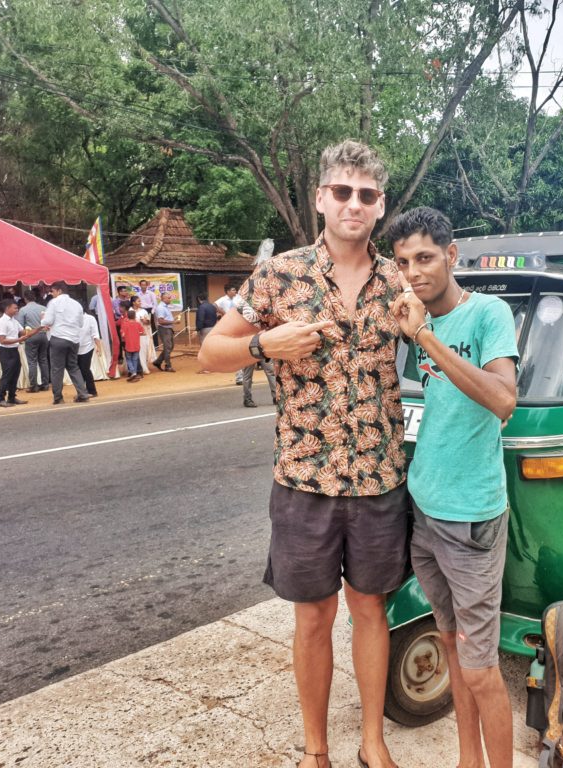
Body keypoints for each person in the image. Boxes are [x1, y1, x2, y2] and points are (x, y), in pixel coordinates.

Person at [197, 141, 407, 768]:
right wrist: (266, 341)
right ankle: (316, 749)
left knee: (372, 611)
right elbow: (211, 352)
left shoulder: (396, 279)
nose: (353, 204)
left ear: (380, 206)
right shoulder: (276, 275)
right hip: (304, 480)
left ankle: (372, 741)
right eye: (342, 191)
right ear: (320, 198)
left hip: (378, 478)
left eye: (366, 195)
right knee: (313, 619)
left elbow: (446, 329)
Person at [388, 207, 518, 768]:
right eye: (403, 263)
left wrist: (423, 336)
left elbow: (502, 400)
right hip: (426, 512)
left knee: (480, 667)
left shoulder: (488, 313)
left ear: (451, 255)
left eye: (424, 258)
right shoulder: (412, 318)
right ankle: (469, 761)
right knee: (449, 646)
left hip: (472, 517)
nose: (413, 272)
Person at [41, 281, 92, 404]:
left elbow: (48, 320)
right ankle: (83, 393)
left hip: (58, 338)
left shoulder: (53, 303)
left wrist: (43, 321)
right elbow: (80, 323)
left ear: (59, 291)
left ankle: (58, 397)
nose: (51, 294)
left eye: (52, 291)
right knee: (73, 367)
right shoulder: (77, 304)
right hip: (74, 339)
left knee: (57, 369)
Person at [0, 298, 39, 407]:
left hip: (14, 350)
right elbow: (2, 340)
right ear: (7, 308)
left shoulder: (14, 320)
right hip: (6, 351)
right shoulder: (2, 322)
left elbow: (24, 332)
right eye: (14, 308)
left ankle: (11, 397)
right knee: (7, 375)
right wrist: (19, 340)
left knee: (15, 374)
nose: (17, 310)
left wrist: (39, 328)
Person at [18, 290, 50, 392]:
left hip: (31, 336)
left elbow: (20, 326)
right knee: (43, 360)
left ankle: (33, 385)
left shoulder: (23, 310)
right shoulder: (43, 308)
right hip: (43, 336)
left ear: (25, 298)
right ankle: (45, 384)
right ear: (35, 298)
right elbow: (48, 323)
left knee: (32, 362)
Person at [77, 311, 102, 397]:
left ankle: (92, 391)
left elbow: (95, 334)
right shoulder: (71, 318)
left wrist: (99, 347)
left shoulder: (90, 319)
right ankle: (82, 391)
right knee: (78, 371)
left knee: (85, 369)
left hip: (87, 348)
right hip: (75, 348)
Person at [128, 295, 154, 374]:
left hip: (144, 333)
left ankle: (143, 366)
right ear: (133, 303)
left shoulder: (143, 311)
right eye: (138, 301)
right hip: (134, 335)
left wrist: (145, 321)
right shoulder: (130, 311)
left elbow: (149, 322)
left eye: (140, 301)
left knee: (144, 350)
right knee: (138, 351)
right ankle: (142, 368)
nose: (140, 302)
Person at [154, 291, 177, 372]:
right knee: (168, 347)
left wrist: (172, 320)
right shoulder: (161, 308)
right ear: (163, 298)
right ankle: (168, 366)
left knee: (170, 346)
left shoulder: (166, 307)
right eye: (169, 298)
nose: (170, 299)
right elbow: (161, 321)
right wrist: (173, 322)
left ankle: (158, 361)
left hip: (168, 328)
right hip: (164, 329)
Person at [121, 309, 145, 382]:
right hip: (136, 345)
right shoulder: (137, 324)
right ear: (135, 316)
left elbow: (122, 334)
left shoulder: (125, 324)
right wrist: (138, 334)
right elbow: (143, 332)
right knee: (135, 359)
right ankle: (134, 373)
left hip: (128, 345)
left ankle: (133, 372)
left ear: (127, 316)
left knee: (128, 359)